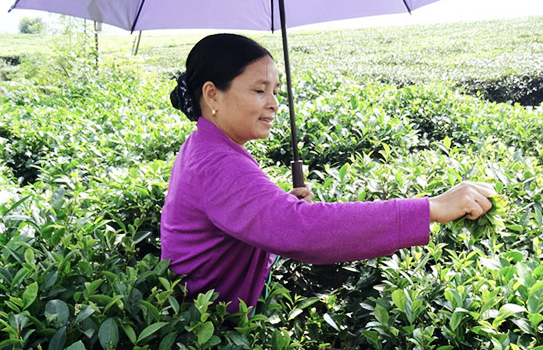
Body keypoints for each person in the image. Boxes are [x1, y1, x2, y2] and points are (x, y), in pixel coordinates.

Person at [161, 33, 495, 314]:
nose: (274, 103)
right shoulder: (218, 163)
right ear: (211, 94)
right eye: (259, 90)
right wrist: (430, 209)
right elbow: (302, 232)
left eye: (276, 91)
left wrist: (277, 209)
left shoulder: (206, 145)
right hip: (204, 329)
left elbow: (250, 221)